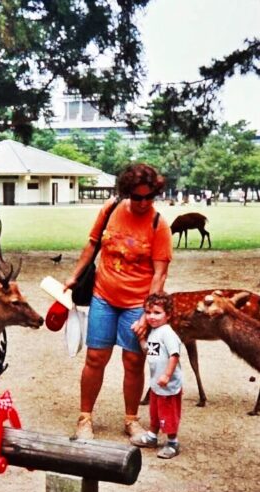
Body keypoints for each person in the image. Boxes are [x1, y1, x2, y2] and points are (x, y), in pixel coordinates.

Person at [64, 163, 173, 442]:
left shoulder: (158, 224)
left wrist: (146, 314)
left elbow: (159, 273)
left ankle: (131, 419)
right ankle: (85, 418)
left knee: (133, 361)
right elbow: (92, 245)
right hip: (103, 296)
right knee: (95, 358)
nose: (143, 202)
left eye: (149, 196)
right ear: (126, 192)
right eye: (137, 197)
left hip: (137, 302)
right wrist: (74, 277)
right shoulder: (110, 209)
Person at [130, 292, 183, 459]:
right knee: (155, 412)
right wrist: (140, 338)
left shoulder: (167, 333)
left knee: (168, 414)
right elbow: (149, 350)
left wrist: (167, 375)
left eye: (157, 313)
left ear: (168, 315)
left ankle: (173, 442)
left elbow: (174, 355)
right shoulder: (154, 332)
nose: (152, 317)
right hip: (156, 384)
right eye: (148, 312)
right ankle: (152, 436)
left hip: (167, 385)